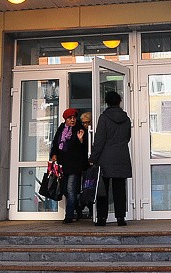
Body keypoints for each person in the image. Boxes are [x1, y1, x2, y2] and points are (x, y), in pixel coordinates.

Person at [89, 91, 132, 226]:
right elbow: (127, 138)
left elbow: (99, 140)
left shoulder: (104, 118)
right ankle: (120, 218)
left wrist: (93, 158)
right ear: (119, 102)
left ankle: (102, 218)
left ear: (106, 102)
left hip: (105, 158)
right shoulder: (126, 119)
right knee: (120, 188)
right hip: (122, 156)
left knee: (103, 189)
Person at [49, 108, 88, 223]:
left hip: (74, 165)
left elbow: (84, 148)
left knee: (70, 189)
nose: (72, 120)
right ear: (65, 119)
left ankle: (69, 216)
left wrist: (81, 140)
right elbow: (55, 143)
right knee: (65, 190)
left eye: (74, 118)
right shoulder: (61, 129)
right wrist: (54, 154)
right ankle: (78, 209)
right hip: (62, 165)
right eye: (70, 118)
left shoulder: (79, 129)